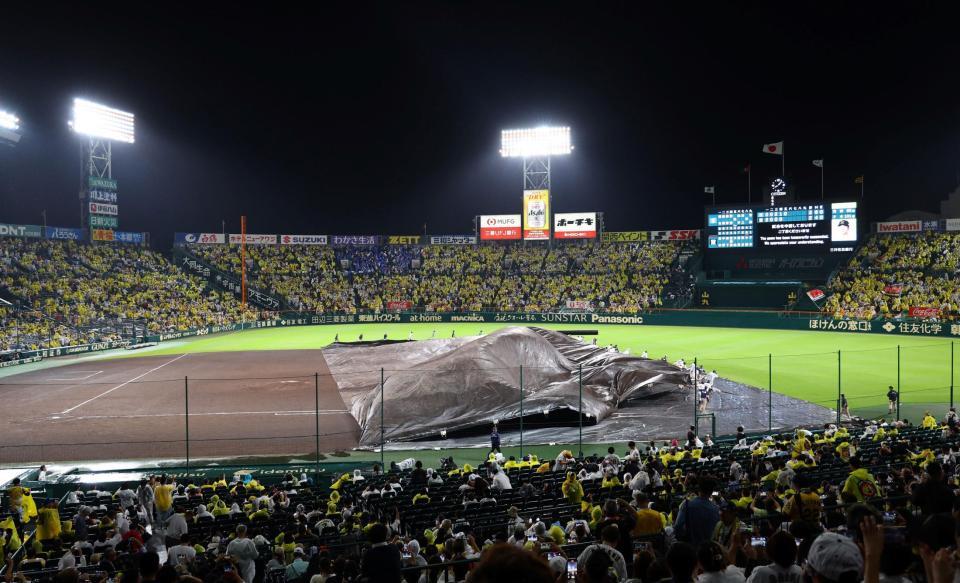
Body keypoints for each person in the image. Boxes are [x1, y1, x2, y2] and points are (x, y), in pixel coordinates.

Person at [675, 478, 720, 547]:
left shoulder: (687, 504)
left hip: (690, 547)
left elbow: (678, 526)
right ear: (711, 492)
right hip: (708, 548)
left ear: (699, 490)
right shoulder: (716, 509)